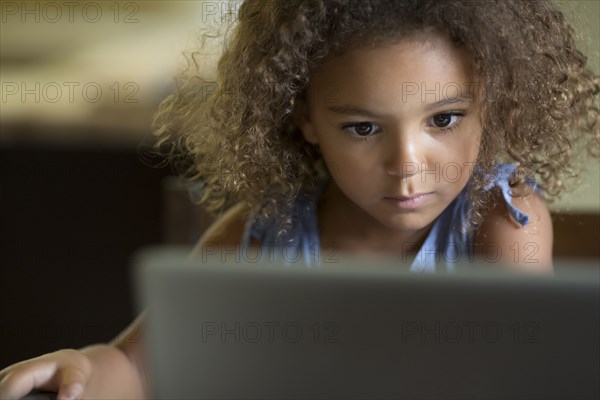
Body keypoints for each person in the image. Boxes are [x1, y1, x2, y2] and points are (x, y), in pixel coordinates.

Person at [1, 0, 598, 399]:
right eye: (363, 128)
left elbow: (521, 372)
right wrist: (83, 370)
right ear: (305, 119)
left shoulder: (502, 222)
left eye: (443, 119)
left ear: (487, 102)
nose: (407, 164)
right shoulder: (262, 235)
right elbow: (136, 367)